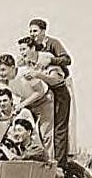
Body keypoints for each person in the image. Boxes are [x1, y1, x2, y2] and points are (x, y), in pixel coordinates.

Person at [0, 54, 54, 159]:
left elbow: (39, 91)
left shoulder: (26, 73)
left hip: (44, 100)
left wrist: (22, 105)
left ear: (12, 67)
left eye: (3, 70)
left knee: (45, 134)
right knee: (26, 132)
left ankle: (50, 166)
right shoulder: (4, 81)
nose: (1, 74)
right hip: (27, 101)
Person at [28, 17, 78, 158]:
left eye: (35, 31)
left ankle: (60, 162)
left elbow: (67, 60)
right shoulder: (32, 47)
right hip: (42, 90)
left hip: (58, 86)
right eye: (31, 31)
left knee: (59, 127)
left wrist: (51, 60)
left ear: (43, 31)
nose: (33, 34)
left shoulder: (53, 43)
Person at [18, 36, 70, 170]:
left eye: (24, 49)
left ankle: (55, 167)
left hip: (58, 95)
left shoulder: (46, 58)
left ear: (33, 48)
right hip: (40, 98)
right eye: (20, 50)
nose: (22, 53)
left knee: (54, 133)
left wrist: (38, 75)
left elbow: (57, 80)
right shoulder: (26, 63)